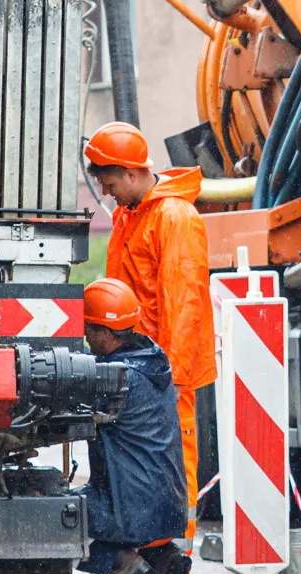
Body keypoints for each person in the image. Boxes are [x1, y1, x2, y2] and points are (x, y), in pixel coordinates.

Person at [86, 122, 214, 539]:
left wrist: (172, 376)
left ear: (130, 172)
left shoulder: (174, 217)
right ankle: (150, 554)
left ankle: (174, 560)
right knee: (144, 465)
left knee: (172, 465)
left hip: (161, 371)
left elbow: (184, 303)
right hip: (141, 367)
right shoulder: (131, 215)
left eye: (109, 184)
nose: (107, 195)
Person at [77, 277, 192, 574]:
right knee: (114, 499)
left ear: (106, 332)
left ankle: (123, 563)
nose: (85, 336)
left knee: (62, 510)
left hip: (134, 509)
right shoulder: (152, 360)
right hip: (168, 507)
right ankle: (162, 562)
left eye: (89, 329)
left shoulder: (116, 378)